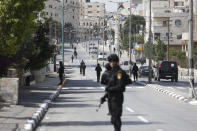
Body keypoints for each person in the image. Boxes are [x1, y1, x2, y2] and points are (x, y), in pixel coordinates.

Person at [101, 54, 132, 131]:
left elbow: (120, 86)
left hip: (117, 98)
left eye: (113, 61)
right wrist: (104, 97)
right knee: (113, 118)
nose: (111, 63)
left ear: (116, 62)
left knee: (116, 117)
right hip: (111, 98)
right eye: (110, 61)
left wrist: (110, 89)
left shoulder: (119, 73)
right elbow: (110, 87)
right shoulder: (112, 72)